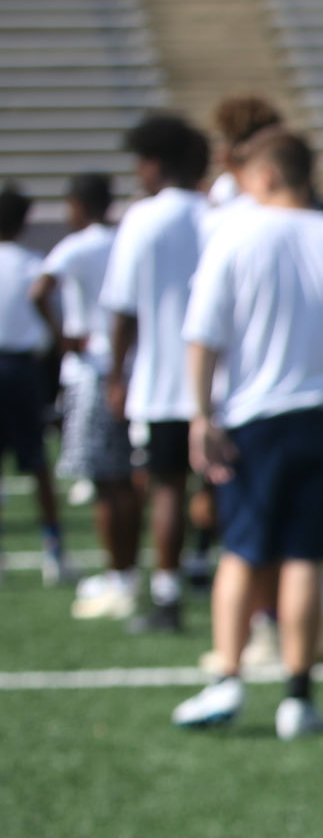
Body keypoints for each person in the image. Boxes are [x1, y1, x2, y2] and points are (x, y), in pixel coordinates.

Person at [170, 128, 323, 739]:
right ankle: (298, 693)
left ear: (265, 176)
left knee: (241, 553)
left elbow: (203, 336)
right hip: (321, 419)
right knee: (305, 559)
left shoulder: (235, 238)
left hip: (252, 421)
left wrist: (200, 415)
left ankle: (228, 679)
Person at [100, 112, 210, 633]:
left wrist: (117, 374)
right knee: (222, 487)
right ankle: (235, 583)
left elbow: (123, 309)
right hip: (218, 382)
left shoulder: (143, 219)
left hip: (163, 380)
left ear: (157, 163)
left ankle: (168, 595)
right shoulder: (218, 214)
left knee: (166, 488)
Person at [31, 173, 137, 609]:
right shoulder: (122, 240)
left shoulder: (76, 245)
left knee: (104, 479)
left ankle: (118, 575)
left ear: (77, 204)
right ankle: (130, 571)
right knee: (129, 481)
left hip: (93, 369)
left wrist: (63, 338)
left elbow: (39, 290)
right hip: (131, 368)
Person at [0, 182, 67, 584]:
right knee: (37, 461)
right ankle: (54, 549)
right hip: (23, 370)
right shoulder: (31, 262)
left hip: (18, 365)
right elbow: (46, 309)